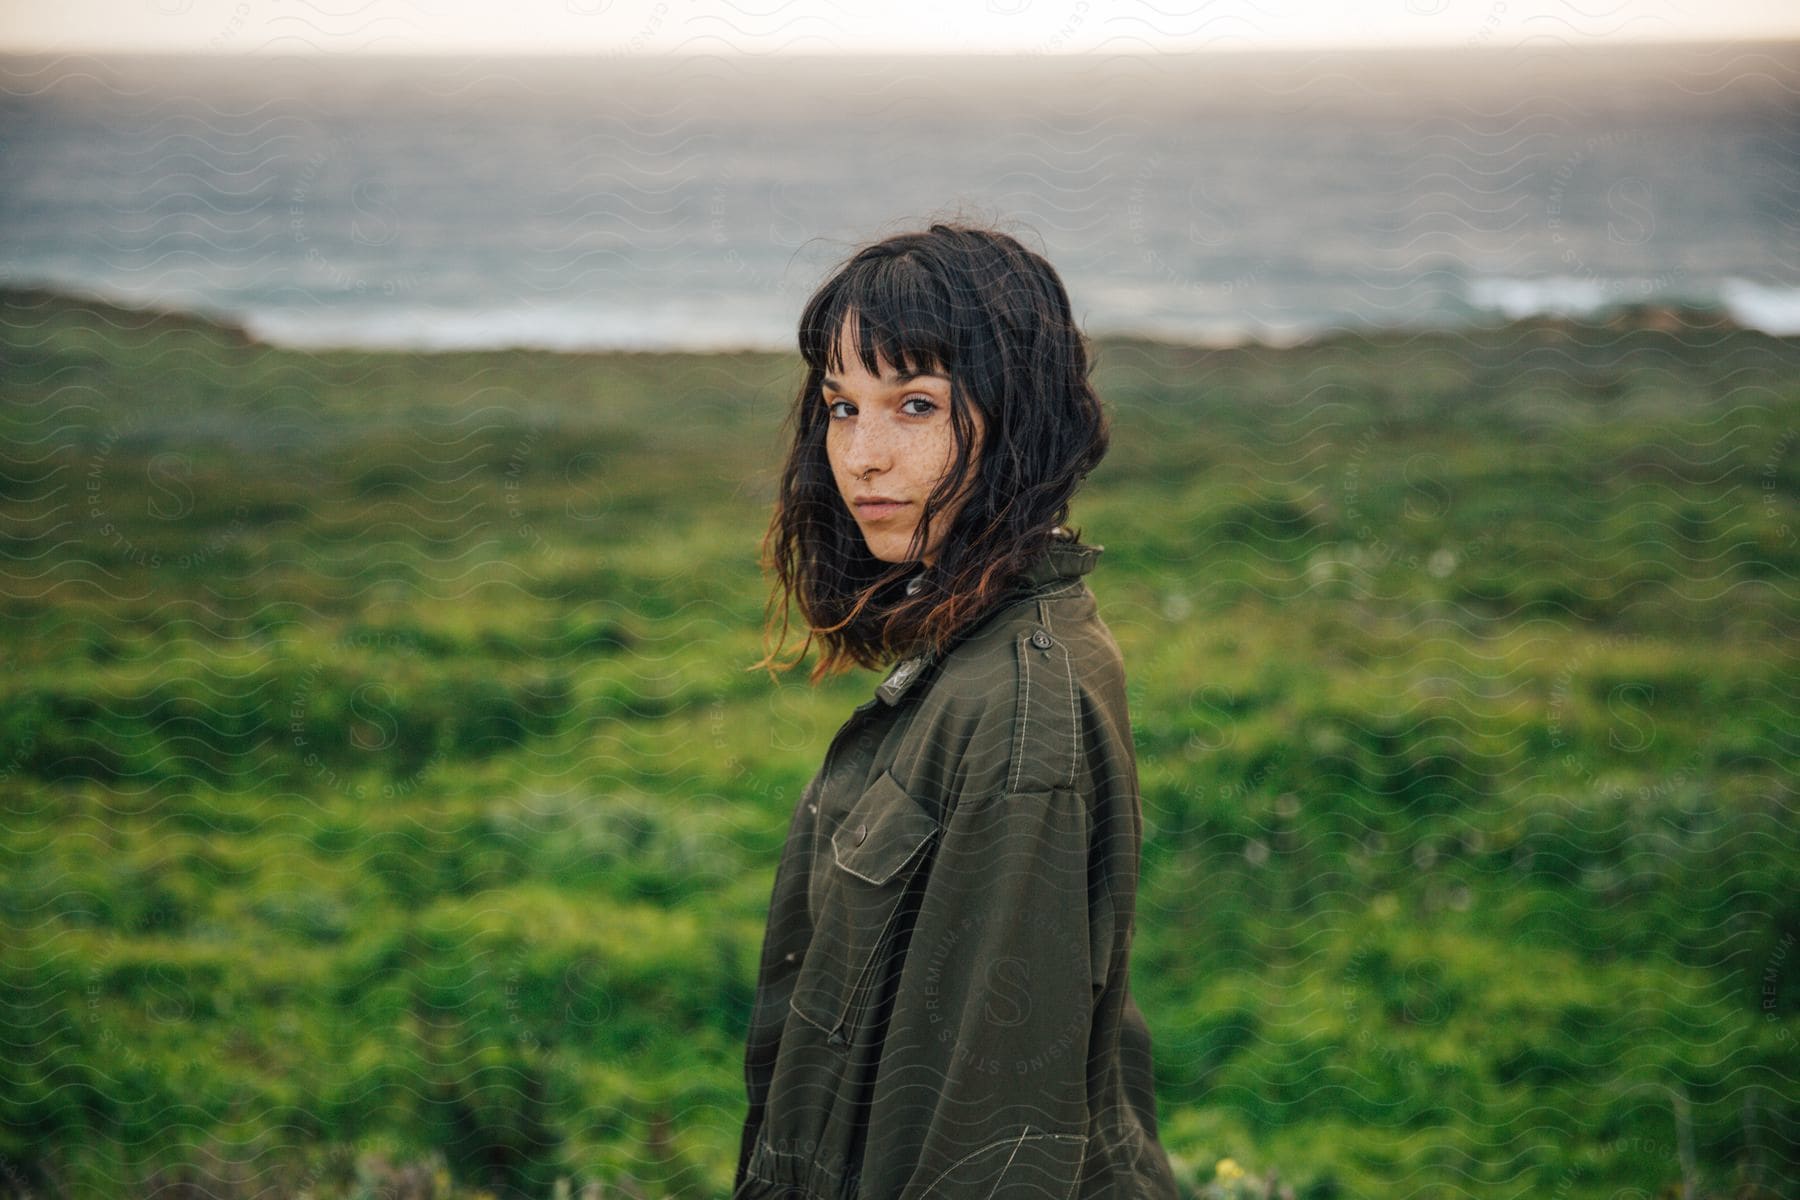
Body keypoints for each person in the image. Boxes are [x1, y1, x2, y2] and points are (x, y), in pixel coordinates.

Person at [733, 221, 1181, 1200]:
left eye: (917, 404)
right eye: (842, 408)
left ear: (1017, 416)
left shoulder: (1023, 713)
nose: (863, 457)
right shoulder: (969, 655)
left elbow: (996, 1145)